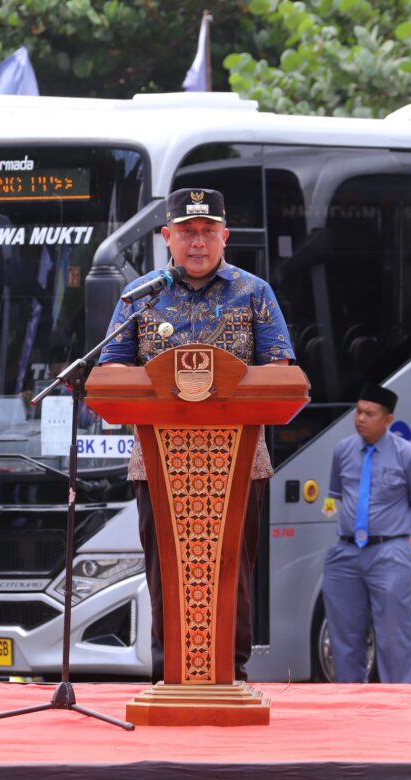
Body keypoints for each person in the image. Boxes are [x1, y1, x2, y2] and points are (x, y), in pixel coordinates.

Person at [98, 187, 294, 683]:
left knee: (234, 569)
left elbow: (282, 372)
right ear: (167, 237)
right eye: (187, 232)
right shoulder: (139, 296)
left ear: (225, 236)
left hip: (239, 463)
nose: (199, 243)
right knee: (166, 570)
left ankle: (232, 673)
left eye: (208, 231)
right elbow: (110, 372)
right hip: (159, 463)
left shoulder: (254, 293)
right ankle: (172, 675)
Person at [322, 385, 411, 683]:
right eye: (358, 411)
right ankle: (351, 704)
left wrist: (390, 527)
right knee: (343, 636)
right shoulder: (343, 451)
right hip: (345, 553)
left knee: (394, 637)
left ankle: (399, 707)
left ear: (388, 420)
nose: (360, 419)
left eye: (369, 414)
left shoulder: (409, 456)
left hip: (388, 554)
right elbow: (336, 498)